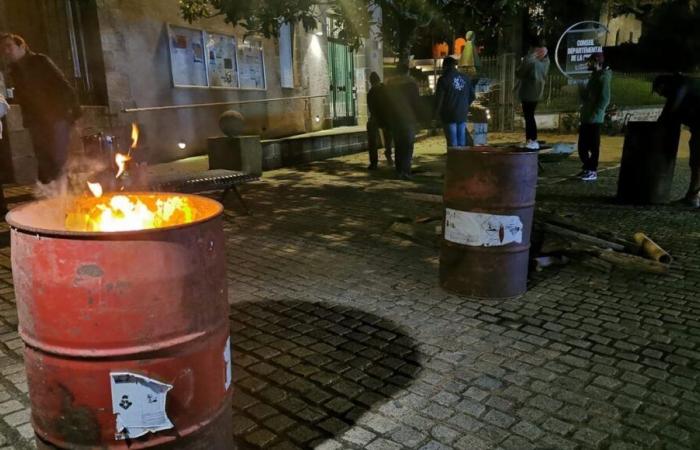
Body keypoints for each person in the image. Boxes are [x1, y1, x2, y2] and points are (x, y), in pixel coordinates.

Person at [0, 33, 81, 185]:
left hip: (57, 117)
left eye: (9, 46)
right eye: (3, 48)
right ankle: (49, 197)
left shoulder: (39, 61)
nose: (6, 51)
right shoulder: (15, 70)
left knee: (58, 159)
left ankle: (66, 196)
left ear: (22, 45)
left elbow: (63, 85)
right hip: (37, 121)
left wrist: (73, 113)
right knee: (44, 159)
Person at [653, 73, 700, 207]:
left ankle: (693, 197)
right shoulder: (685, 86)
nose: (660, 95)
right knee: (696, 162)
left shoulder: (679, 88)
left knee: (697, 162)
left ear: (663, 85)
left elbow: (669, 113)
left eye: (659, 91)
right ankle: (693, 195)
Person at [578, 52, 611, 182]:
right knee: (582, 146)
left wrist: (595, 113)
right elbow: (587, 97)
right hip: (586, 117)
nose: (588, 64)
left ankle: (592, 170)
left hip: (594, 119)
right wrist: (581, 89)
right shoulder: (595, 76)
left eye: (590, 61)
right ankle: (587, 167)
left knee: (593, 146)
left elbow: (605, 99)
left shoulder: (603, 77)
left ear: (597, 62)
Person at [386, 64, 421, 180]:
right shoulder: (411, 85)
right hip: (408, 119)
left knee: (398, 145)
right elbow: (416, 103)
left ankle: (399, 170)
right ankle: (406, 171)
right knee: (408, 146)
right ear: (407, 72)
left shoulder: (390, 85)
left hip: (394, 119)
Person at [516, 36, 550, 150]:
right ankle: (531, 139)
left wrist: (527, 58)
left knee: (529, 116)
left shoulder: (531, 59)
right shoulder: (545, 59)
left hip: (529, 91)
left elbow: (520, 73)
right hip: (537, 91)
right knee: (530, 115)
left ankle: (532, 140)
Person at [434, 56, 475, 147]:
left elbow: (439, 99)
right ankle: (462, 158)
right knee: (462, 142)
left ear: (445, 66)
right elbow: (472, 96)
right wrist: (464, 105)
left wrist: (436, 115)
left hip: (449, 115)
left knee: (453, 143)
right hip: (462, 113)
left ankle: (454, 158)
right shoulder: (466, 78)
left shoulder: (443, 79)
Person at [366, 72, 393, 169]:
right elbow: (371, 108)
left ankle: (387, 154)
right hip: (379, 117)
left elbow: (389, 105)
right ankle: (375, 161)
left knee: (387, 136)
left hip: (385, 117)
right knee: (373, 135)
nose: (374, 85)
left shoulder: (383, 90)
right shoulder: (372, 92)